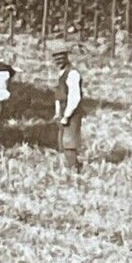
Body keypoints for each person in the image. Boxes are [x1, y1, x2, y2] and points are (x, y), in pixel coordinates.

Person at [52, 46, 84, 174]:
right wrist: (57, 113)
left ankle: (75, 170)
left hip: (71, 111)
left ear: (66, 57)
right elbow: (60, 95)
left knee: (69, 142)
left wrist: (66, 115)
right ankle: (70, 168)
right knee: (62, 142)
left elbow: (74, 97)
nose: (58, 61)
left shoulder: (73, 73)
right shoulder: (62, 73)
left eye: (61, 58)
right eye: (56, 59)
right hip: (63, 111)